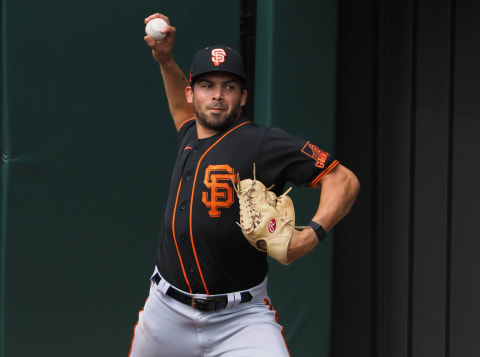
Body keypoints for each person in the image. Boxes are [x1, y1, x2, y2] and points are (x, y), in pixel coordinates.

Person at [129, 13, 360, 357]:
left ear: (243, 97)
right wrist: (165, 60)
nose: (218, 96)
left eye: (229, 86)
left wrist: (312, 234)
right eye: (207, 86)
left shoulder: (262, 143)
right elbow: (179, 107)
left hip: (240, 318)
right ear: (193, 94)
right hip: (166, 312)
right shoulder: (190, 133)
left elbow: (343, 178)